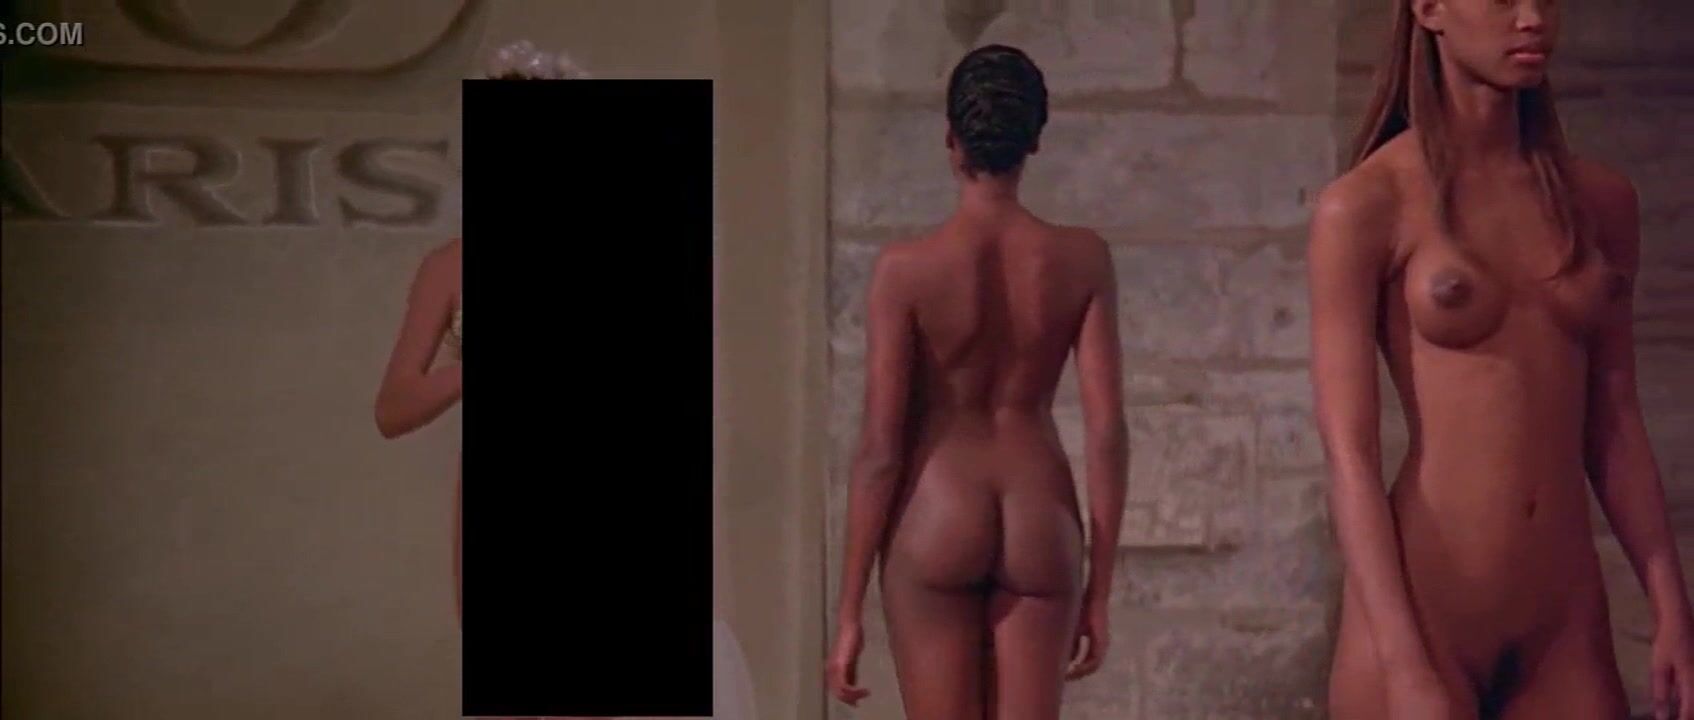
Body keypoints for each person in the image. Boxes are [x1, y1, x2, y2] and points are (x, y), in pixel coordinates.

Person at [1310, 1, 1694, 718]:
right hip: (1427, 609)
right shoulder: (1366, 205)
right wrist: (1404, 666)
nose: (1532, 18)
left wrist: (1672, 606)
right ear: (1430, 8)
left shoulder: (1601, 202)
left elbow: (1615, 421)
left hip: (1564, 618)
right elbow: (1349, 455)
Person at [825, 44, 1129, 720]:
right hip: (1039, 511)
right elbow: (1107, 432)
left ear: (951, 139)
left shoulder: (905, 271)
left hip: (938, 510)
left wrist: (848, 611)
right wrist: (1101, 589)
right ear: (1035, 141)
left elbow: (880, 450)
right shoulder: (1083, 260)